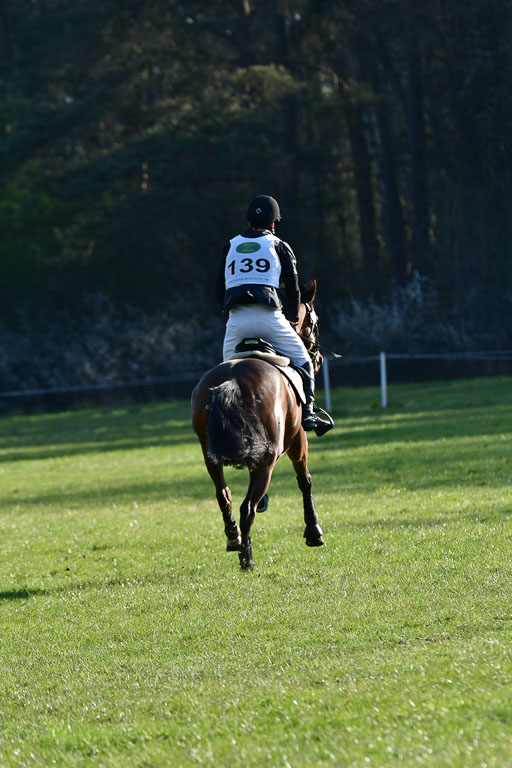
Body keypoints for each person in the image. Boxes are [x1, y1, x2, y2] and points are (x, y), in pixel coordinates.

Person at [216, 194, 333, 435]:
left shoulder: (230, 245)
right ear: (273, 223)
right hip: (270, 318)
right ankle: (310, 415)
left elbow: (220, 287)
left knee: (225, 374)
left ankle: (221, 419)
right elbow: (292, 288)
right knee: (303, 361)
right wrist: (291, 317)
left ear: (249, 221)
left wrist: (229, 312)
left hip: (237, 321)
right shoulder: (279, 245)